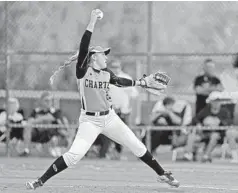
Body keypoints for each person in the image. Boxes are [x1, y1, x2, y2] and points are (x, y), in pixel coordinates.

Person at [26, 9, 179, 190]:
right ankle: (40, 181)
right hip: (90, 121)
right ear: (92, 59)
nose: (105, 56)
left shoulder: (106, 73)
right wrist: (92, 21)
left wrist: (140, 82)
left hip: (110, 118)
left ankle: (163, 175)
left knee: (137, 146)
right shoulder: (83, 72)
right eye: (102, 54)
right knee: (74, 155)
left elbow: (119, 81)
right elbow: (84, 47)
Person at [20, 91, 69, 158]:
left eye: (50, 100)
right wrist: (43, 118)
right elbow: (30, 121)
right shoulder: (36, 111)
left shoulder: (55, 111)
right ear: (41, 101)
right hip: (38, 133)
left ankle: (54, 152)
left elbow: (51, 118)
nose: (48, 102)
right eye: (46, 100)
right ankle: (26, 150)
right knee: (28, 127)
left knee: (55, 135)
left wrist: (38, 119)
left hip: (50, 134)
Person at [192, 92, 233, 163]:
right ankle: (190, 155)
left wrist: (219, 122)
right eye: (214, 101)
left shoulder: (224, 111)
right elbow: (195, 119)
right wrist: (199, 123)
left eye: (218, 101)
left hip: (219, 135)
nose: (216, 103)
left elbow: (229, 122)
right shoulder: (206, 110)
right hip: (205, 134)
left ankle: (206, 156)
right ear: (211, 102)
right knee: (193, 137)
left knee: (214, 136)